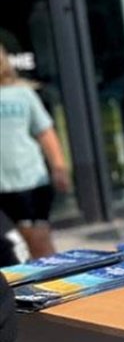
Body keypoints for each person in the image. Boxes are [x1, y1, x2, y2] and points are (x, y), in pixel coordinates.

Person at [0, 45, 71, 258]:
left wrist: (59, 167)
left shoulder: (22, 93)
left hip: (30, 180)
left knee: (39, 240)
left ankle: (55, 284)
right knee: (9, 248)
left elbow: (45, 133)